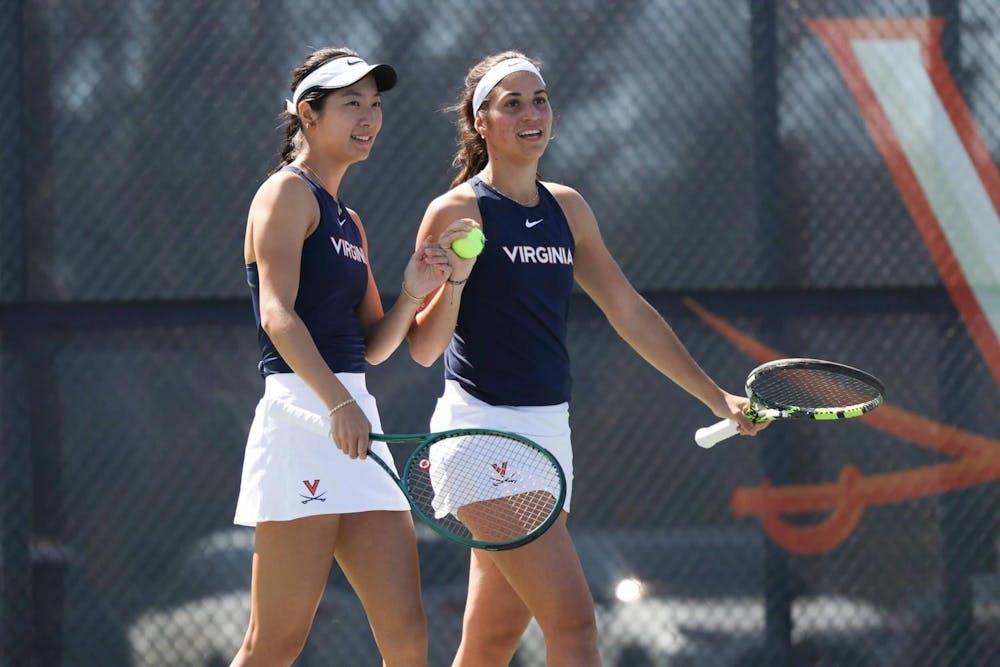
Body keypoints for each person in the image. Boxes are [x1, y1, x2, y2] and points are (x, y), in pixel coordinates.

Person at [406, 51, 765, 667]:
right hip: (480, 438)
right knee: (573, 625)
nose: (530, 113)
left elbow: (629, 312)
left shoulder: (568, 211)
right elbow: (423, 348)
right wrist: (458, 280)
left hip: (550, 439)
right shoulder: (457, 211)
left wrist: (717, 397)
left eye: (539, 99)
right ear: (481, 122)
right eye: (511, 103)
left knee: (489, 643)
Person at [230, 47, 470, 667]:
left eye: (374, 104)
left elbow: (375, 346)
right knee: (275, 643)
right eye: (350, 104)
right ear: (308, 115)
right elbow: (276, 314)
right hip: (302, 417)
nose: (368, 117)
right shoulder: (285, 193)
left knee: (407, 632)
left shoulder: (350, 222)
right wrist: (336, 402)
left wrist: (416, 290)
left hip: (354, 417)